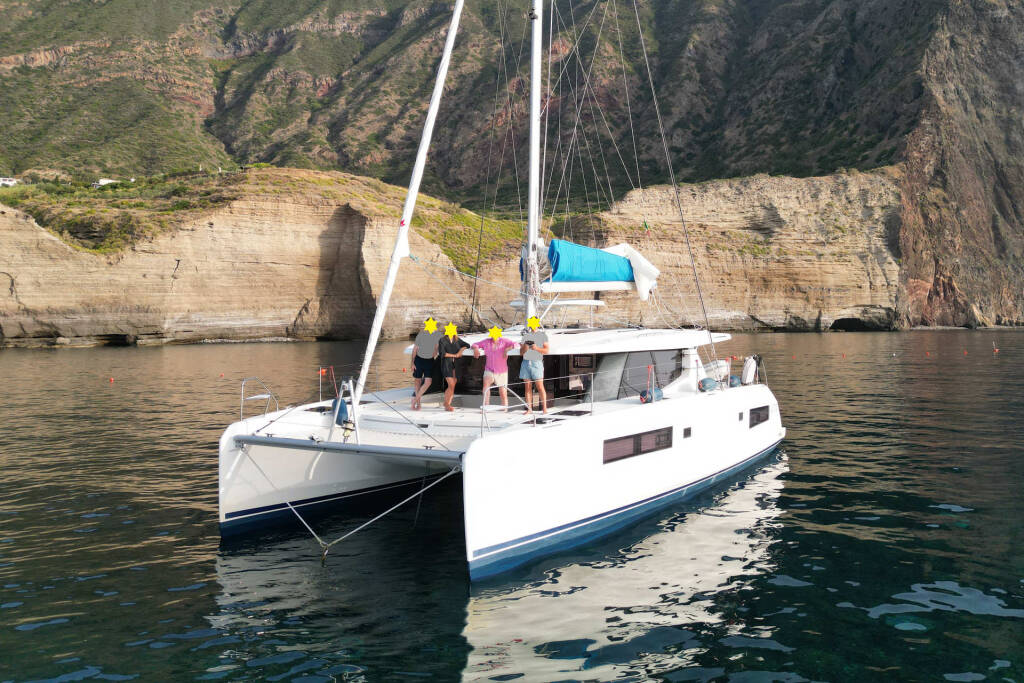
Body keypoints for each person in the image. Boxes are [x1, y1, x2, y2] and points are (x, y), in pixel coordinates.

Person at [472, 328, 517, 410]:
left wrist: (507, 349)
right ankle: (486, 407)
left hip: (502, 371)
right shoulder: (486, 341)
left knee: (503, 392)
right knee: (486, 386)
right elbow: (474, 344)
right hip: (489, 369)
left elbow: (516, 344)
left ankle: (504, 410)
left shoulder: (504, 341)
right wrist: (475, 349)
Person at [437, 323, 470, 412]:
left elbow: (467, 345)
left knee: (452, 385)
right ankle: (447, 404)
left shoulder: (457, 339)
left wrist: (461, 350)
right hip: (446, 365)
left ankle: (447, 403)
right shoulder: (442, 340)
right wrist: (455, 355)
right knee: (451, 385)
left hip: (455, 365)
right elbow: (442, 353)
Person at [410, 318, 442, 410]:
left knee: (428, 382)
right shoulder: (421, 334)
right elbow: (415, 349)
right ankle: (418, 403)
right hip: (418, 360)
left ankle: (415, 400)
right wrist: (412, 363)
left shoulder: (438, 335)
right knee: (417, 381)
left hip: (429, 361)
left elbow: (440, 346)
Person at [519, 322, 549, 414]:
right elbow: (521, 353)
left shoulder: (543, 335)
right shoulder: (526, 336)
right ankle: (529, 409)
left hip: (537, 363)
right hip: (526, 362)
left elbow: (546, 351)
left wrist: (536, 348)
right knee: (527, 387)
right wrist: (525, 347)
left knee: (540, 386)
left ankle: (544, 409)